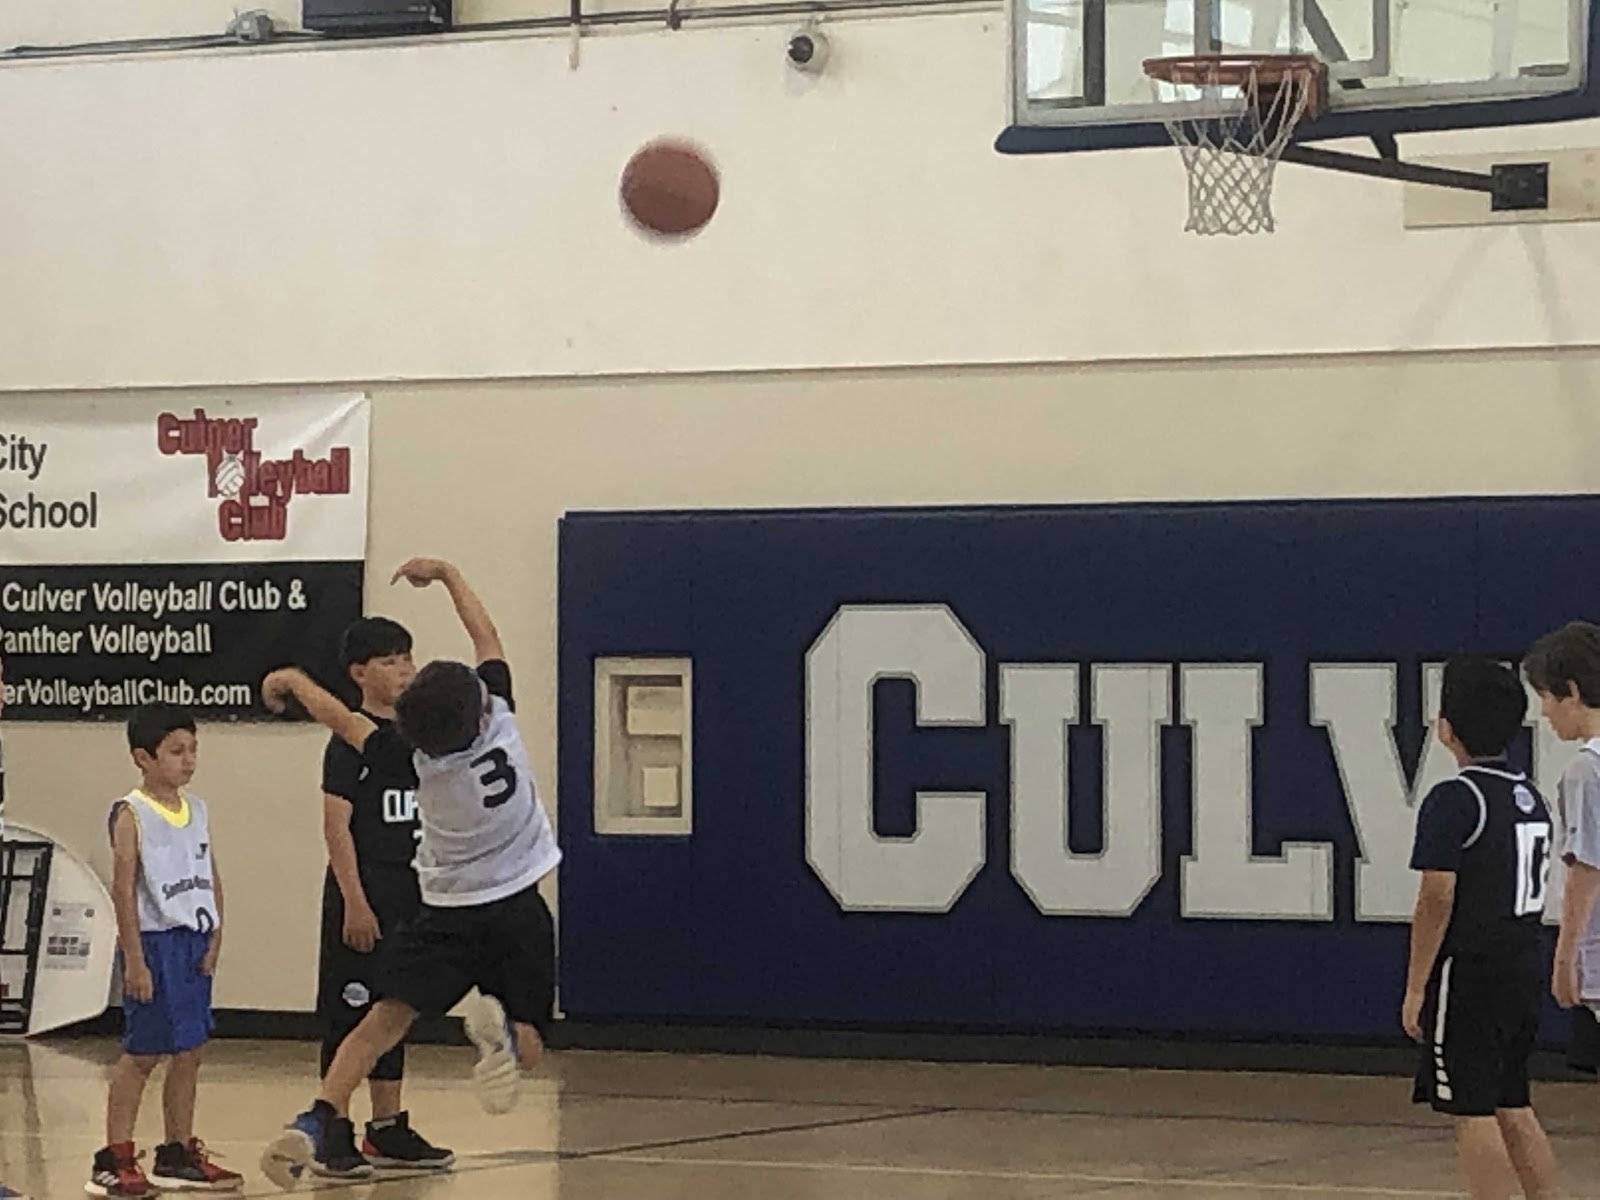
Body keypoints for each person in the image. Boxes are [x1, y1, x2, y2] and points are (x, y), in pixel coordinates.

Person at [258, 558, 559, 1190]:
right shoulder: (501, 719)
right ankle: (505, 1034)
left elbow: (345, 721)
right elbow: (486, 637)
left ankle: (319, 1116)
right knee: (531, 1045)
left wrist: (294, 679)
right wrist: (449, 576)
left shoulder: (414, 760)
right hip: (517, 906)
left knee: (381, 1021)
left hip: (444, 914)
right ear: (479, 711)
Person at [1402, 656, 1560, 1200]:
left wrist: (1417, 986)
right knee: (1513, 1101)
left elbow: (1437, 896)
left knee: (1471, 1108)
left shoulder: (1455, 798)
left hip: (1470, 971)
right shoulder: (1531, 797)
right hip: (1523, 962)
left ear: (1446, 728)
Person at [313, 616, 452, 1176]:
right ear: (359, 673)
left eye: (407, 658)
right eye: (390, 661)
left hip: (410, 895)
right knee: (350, 1011)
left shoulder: (416, 744)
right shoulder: (350, 742)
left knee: (393, 1009)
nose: (404, 670)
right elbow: (336, 827)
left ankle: (387, 1126)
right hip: (364, 892)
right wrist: (355, 900)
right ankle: (332, 1128)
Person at [88, 704, 242, 1197]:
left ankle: (177, 1151)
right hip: (154, 943)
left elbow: (209, 874)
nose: (188, 759)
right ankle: (114, 1157)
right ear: (143, 757)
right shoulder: (131, 813)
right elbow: (123, 889)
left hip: (193, 940)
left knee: (190, 1050)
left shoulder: (197, 809)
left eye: (193, 749)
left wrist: (216, 933)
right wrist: (134, 959)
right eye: (176, 751)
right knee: (143, 1052)